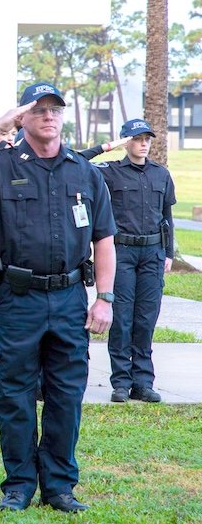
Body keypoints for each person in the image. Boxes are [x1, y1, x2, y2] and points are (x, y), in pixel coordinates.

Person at [0, 82, 116, 512]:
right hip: (17, 299)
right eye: (38, 109)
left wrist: (105, 297)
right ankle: (19, 485)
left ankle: (59, 486)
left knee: (65, 394)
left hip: (68, 299)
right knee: (14, 394)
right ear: (23, 116)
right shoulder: (1, 163)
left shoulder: (85, 171)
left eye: (55, 109)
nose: (49, 116)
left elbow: (105, 240)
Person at [97, 118, 175, 403]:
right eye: (137, 138)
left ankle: (143, 381)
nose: (143, 144)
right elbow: (79, 163)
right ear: (125, 141)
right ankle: (120, 381)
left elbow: (167, 216)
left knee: (145, 319)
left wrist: (168, 253)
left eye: (147, 139)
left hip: (152, 253)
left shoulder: (161, 174)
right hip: (122, 252)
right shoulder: (110, 172)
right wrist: (107, 147)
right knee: (121, 319)